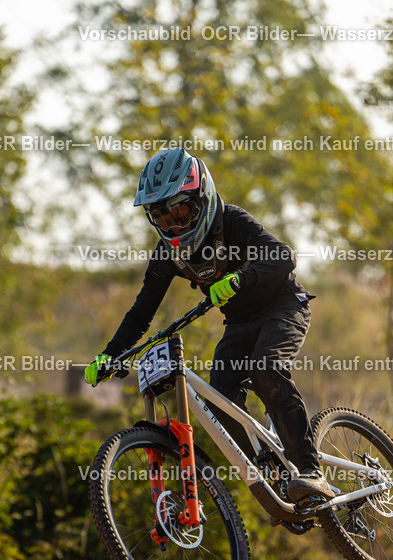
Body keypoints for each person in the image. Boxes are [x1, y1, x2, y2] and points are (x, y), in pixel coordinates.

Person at [84, 147, 334, 503]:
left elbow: (284, 256)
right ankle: (271, 468)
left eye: (181, 211)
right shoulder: (167, 255)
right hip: (240, 322)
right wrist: (110, 355)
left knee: (266, 370)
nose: (174, 224)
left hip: (282, 306)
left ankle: (310, 471)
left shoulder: (231, 220)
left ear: (201, 198)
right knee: (220, 399)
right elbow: (141, 313)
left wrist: (241, 279)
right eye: (163, 217)